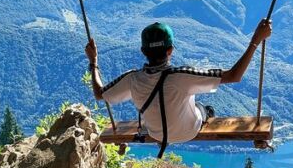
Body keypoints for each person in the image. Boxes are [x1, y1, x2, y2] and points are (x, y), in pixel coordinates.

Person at [85, 18, 273, 155]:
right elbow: (234, 75)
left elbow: (99, 94)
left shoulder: (131, 79)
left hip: (156, 133)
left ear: (143, 51)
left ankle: (168, 131)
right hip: (189, 131)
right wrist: (256, 39)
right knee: (204, 108)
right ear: (170, 50)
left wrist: (93, 61)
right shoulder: (182, 76)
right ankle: (205, 112)